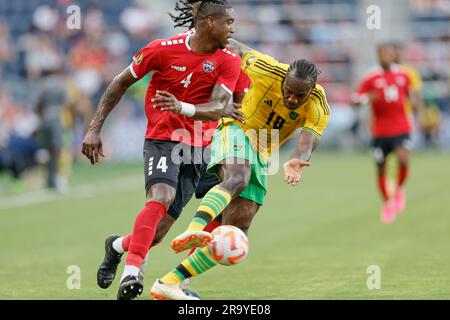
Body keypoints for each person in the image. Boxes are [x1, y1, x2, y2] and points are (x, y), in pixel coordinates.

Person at [82, 0, 242, 300]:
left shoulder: (229, 59)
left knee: (157, 232)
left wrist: (181, 106)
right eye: (228, 23)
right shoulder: (161, 49)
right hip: (163, 138)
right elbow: (119, 83)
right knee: (161, 196)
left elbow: (220, 106)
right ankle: (132, 273)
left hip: (198, 147)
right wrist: (94, 127)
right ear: (209, 22)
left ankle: (116, 246)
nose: (233, 29)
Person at [150, 38, 331, 300]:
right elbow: (236, 47)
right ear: (284, 80)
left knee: (236, 229)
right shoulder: (267, 68)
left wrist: (297, 159)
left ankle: (169, 283)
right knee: (238, 178)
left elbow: (309, 138)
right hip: (237, 128)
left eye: (298, 95)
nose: (291, 97)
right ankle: (194, 229)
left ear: (311, 89)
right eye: (288, 90)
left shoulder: (318, 103)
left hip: (263, 150)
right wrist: (205, 31)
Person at [352, 43, 421, 224]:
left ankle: (398, 190)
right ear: (378, 56)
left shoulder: (403, 75)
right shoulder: (371, 77)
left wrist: (415, 106)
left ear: (393, 55)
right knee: (381, 168)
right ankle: (388, 203)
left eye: (388, 53)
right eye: (381, 54)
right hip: (380, 131)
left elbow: (412, 96)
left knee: (403, 159)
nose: (385, 56)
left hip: (401, 128)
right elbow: (355, 99)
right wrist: (367, 98)